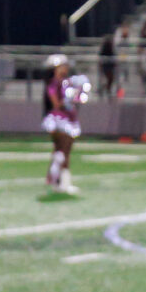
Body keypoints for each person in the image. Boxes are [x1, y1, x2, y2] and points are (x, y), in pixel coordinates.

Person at [41, 55, 91, 197]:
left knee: (62, 152)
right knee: (62, 151)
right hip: (59, 119)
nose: (66, 68)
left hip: (68, 118)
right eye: (63, 66)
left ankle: (56, 181)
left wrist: (78, 95)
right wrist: (70, 97)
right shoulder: (53, 84)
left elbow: (77, 99)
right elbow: (57, 104)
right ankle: (61, 182)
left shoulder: (66, 82)